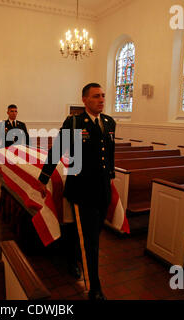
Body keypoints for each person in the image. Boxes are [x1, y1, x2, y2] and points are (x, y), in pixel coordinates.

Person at [38, 83, 116, 301]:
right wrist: (43, 179)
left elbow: (109, 154)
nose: (101, 100)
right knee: (90, 240)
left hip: (102, 190)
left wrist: (111, 178)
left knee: (90, 235)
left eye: (103, 96)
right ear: (85, 100)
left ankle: (72, 258)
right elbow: (57, 151)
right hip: (82, 190)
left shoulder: (109, 122)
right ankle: (94, 288)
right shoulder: (73, 122)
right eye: (96, 96)